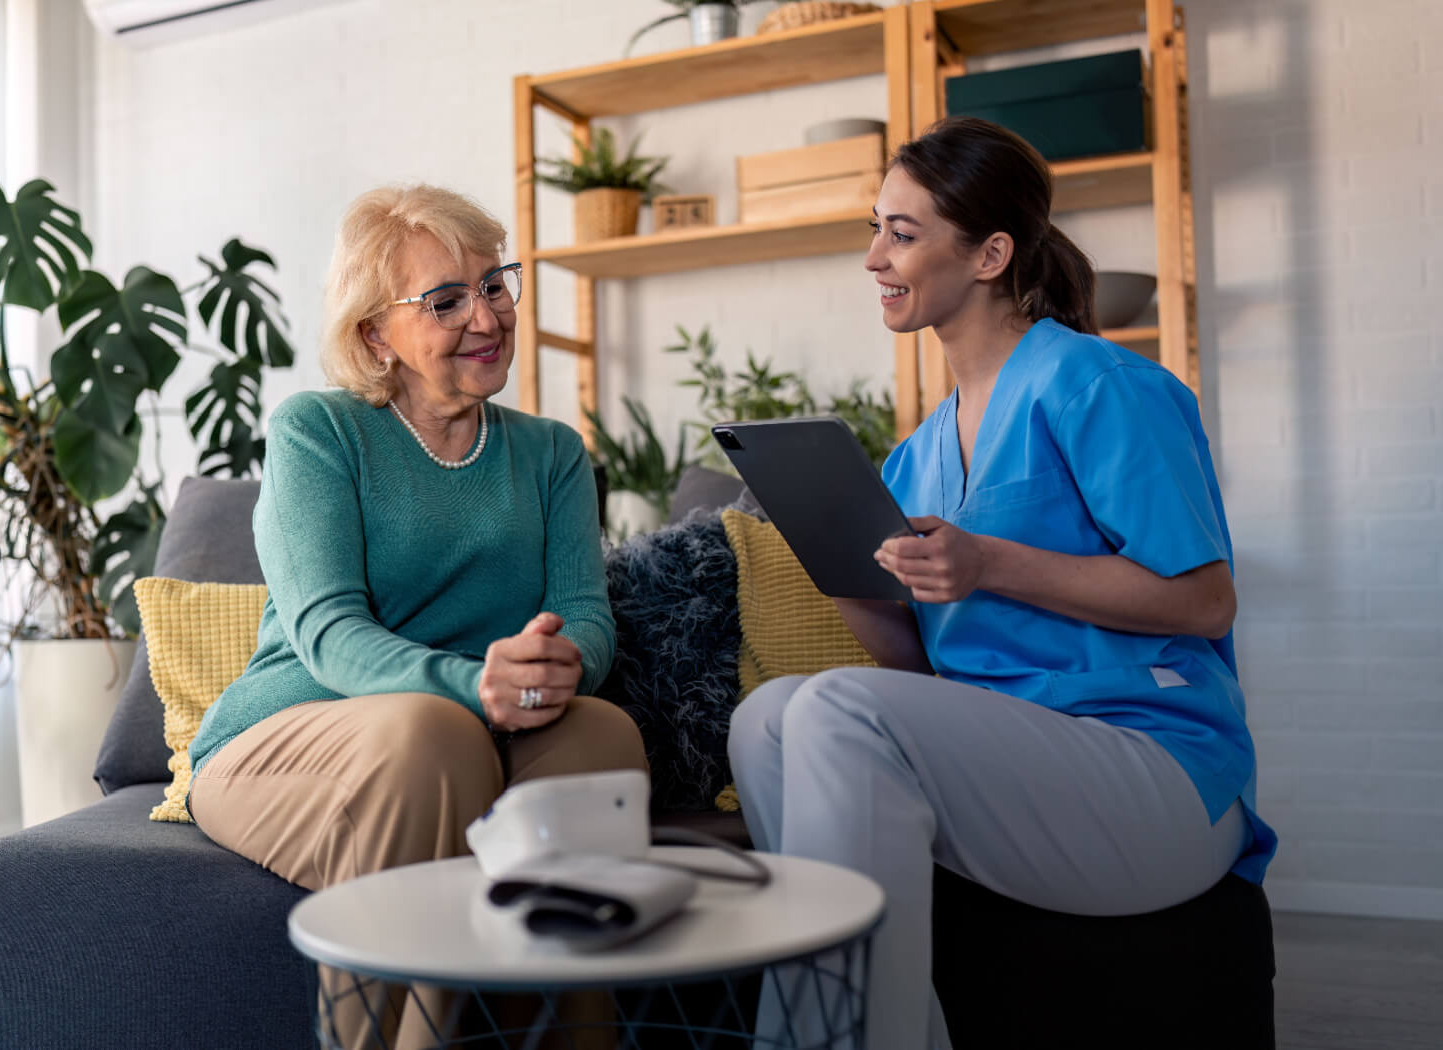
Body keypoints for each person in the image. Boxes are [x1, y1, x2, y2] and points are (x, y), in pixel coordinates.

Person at [726, 117, 1277, 1049]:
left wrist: (987, 562)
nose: (873, 257)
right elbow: (916, 668)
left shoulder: (1102, 385)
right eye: (875, 227)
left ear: (990, 253)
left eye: (901, 232)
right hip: (1014, 771)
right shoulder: (915, 454)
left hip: (1155, 772)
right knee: (770, 714)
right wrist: (852, 586)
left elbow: (1204, 599)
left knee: (835, 711)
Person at [186, 184, 647, 1049]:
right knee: (430, 736)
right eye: (445, 300)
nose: (486, 315)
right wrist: (476, 684)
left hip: (473, 725)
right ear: (375, 336)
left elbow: (584, 614)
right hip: (294, 736)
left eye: (494, 284)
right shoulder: (317, 432)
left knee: (601, 734)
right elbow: (327, 635)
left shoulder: (551, 453)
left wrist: (561, 666)